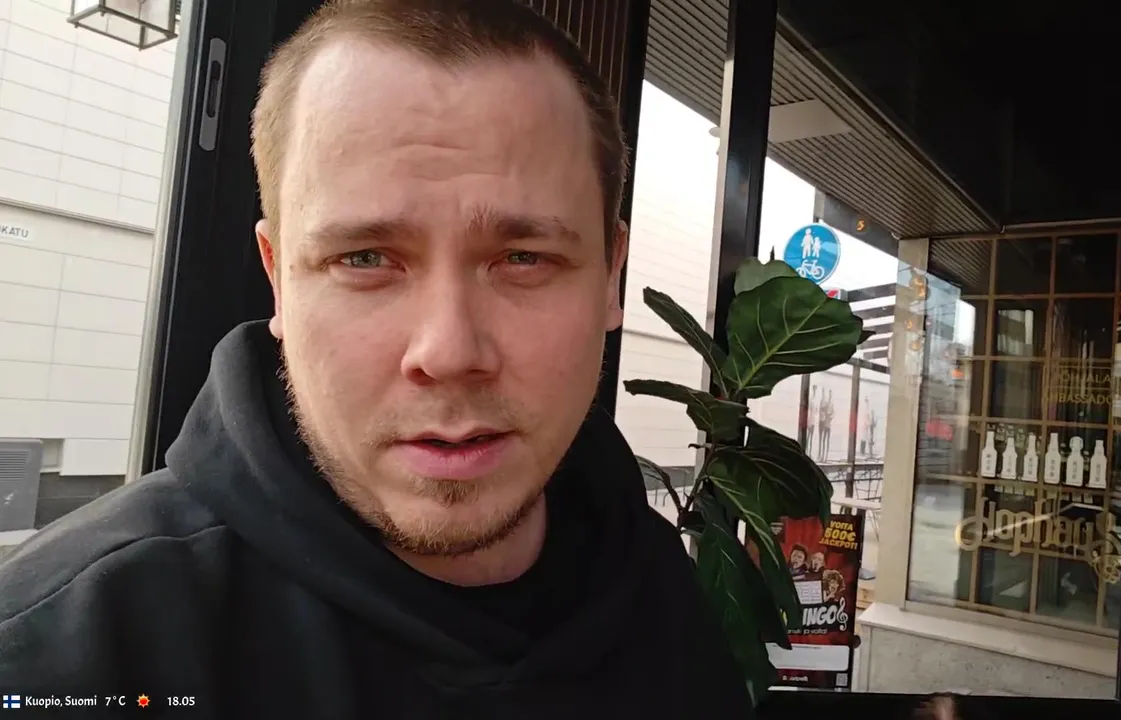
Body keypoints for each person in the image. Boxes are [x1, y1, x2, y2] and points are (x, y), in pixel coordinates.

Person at [0, 1, 752, 717]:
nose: (448, 352)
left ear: (611, 276)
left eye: (524, 257)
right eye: (364, 258)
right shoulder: (66, 653)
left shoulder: (660, 592)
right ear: (278, 279)